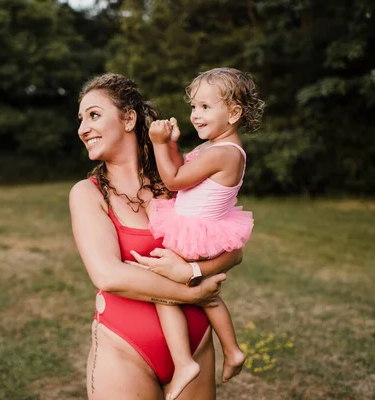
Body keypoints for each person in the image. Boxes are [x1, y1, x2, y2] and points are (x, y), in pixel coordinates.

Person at [69, 73, 244, 400]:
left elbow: (234, 251)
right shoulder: (88, 194)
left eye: (93, 115)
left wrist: (192, 272)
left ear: (129, 119)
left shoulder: (177, 183)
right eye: (80, 119)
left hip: (197, 344)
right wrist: (194, 294)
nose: (82, 128)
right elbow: (108, 274)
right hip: (125, 348)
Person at [133, 67, 265, 398]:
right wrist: (172, 145)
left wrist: (157, 142)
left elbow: (174, 181)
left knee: (162, 290)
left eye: (206, 107)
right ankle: (232, 350)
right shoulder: (214, 148)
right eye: (193, 106)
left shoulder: (223, 152)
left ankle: (184, 363)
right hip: (198, 227)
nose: (195, 114)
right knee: (209, 295)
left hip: (195, 234)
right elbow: (183, 171)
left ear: (234, 113)